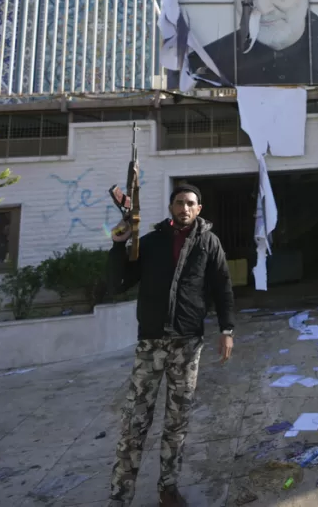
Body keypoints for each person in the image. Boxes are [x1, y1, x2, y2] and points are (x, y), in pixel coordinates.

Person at [107, 185, 236, 507]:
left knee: (177, 421)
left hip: (187, 343)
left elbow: (222, 286)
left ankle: (168, 488)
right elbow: (118, 283)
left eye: (190, 203)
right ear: (171, 207)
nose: (184, 208)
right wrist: (118, 245)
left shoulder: (209, 242)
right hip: (151, 343)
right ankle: (120, 496)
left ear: (199, 208)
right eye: (179, 203)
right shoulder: (151, 242)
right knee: (134, 422)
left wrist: (227, 329)